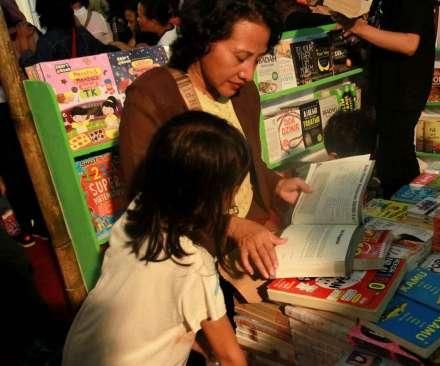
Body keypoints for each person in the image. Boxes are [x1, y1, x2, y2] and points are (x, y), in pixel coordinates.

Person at [119, 0, 311, 302]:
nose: (248, 73)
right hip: (195, 254)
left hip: (253, 239)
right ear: (203, 40)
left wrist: (276, 184)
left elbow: (248, 162)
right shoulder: (153, 95)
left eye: (258, 60)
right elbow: (147, 197)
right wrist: (232, 225)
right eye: (240, 57)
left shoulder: (244, 94)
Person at [62, 111, 249, 366]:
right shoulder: (194, 266)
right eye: (233, 189)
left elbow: (156, 316)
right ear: (214, 197)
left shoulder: (134, 215)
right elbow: (231, 358)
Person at [334, 0, 435, 198]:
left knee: (397, 157)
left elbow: (409, 43)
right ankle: (402, 212)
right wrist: (359, 35)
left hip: (403, 88)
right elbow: (386, 33)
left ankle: (406, 213)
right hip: (386, 87)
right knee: (390, 157)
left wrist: (359, 28)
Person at [16, 0, 112, 68]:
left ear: (45, 15)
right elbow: (107, 53)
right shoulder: (81, 33)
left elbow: (32, 71)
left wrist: (23, 40)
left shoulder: (48, 41)